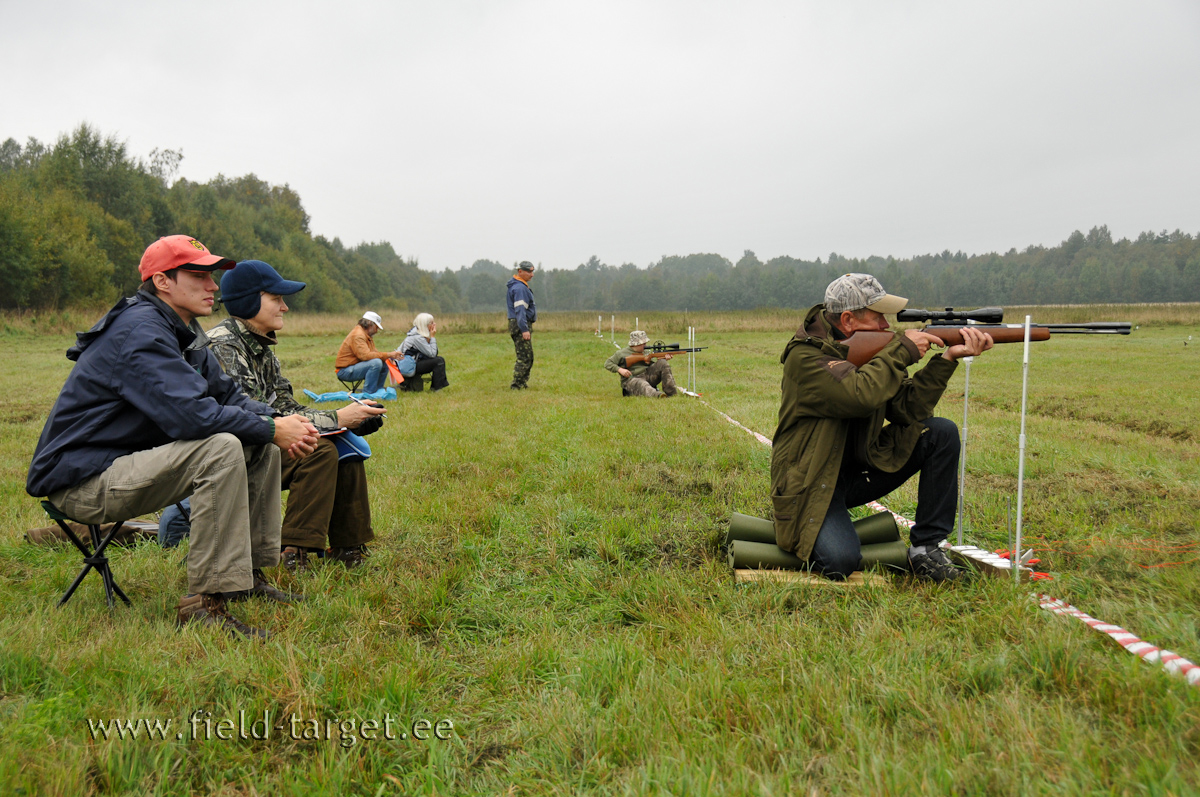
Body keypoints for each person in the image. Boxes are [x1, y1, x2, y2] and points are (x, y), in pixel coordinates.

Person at [26, 235, 321, 639]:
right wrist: (273, 427)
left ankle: (245, 578)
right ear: (163, 282)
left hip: (119, 464)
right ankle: (206, 602)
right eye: (199, 276)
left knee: (259, 445)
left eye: (211, 276)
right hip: (81, 479)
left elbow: (228, 396)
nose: (213, 286)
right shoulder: (140, 333)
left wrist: (275, 422)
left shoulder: (181, 330)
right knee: (220, 447)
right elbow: (193, 418)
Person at [769, 273, 993, 582]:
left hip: (859, 471)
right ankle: (812, 522)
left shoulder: (872, 354)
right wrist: (900, 351)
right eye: (879, 318)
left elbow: (907, 409)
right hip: (811, 482)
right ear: (848, 319)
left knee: (939, 433)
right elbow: (857, 395)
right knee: (839, 561)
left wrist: (948, 358)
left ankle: (926, 549)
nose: (887, 326)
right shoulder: (805, 356)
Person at [200, 260, 387, 570]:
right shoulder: (223, 347)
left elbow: (288, 408)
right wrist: (337, 419)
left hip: (262, 437)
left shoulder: (260, 347)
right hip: (236, 447)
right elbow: (250, 418)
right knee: (318, 451)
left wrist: (345, 421)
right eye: (276, 298)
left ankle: (349, 547)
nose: (284, 307)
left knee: (344, 447)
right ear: (249, 301)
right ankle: (294, 552)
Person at [335, 311, 401, 394]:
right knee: (376, 363)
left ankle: (378, 391)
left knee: (384, 362)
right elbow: (365, 356)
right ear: (370, 324)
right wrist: (388, 354)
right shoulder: (358, 335)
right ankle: (369, 393)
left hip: (353, 367)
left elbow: (374, 353)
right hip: (345, 371)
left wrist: (387, 357)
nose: (377, 331)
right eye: (376, 327)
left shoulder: (365, 334)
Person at [604, 330, 677, 397]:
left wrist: (663, 360)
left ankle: (672, 393)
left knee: (662, 363)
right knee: (642, 384)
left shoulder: (646, 352)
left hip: (647, 375)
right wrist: (620, 370)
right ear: (636, 344)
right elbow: (608, 363)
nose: (646, 345)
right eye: (643, 343)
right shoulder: (621, 353)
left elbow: (655, 366)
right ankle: (659, 396)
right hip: (632, 379)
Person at [506, 261, 537, 389]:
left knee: (527, 355)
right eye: (529, 271)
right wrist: (524, 329)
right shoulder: (519, 288)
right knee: (525, 356)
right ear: (520, 271)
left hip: (519, 323)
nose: (532, 274)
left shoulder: (520, 286)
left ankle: (522, 383)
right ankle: (517, 385)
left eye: (532, 271)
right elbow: (520, 311)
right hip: (520, 324)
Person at [399, 312, 449, 392]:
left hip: (411, 363)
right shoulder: (417, 338)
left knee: (438, 360)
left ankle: (437, 387)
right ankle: (436, 388)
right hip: (410, 366)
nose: (434, 324)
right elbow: (432, 354)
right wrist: (432, 337)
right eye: (432, 323)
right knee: (439, 361)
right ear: (425, 325)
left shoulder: (415, 334)